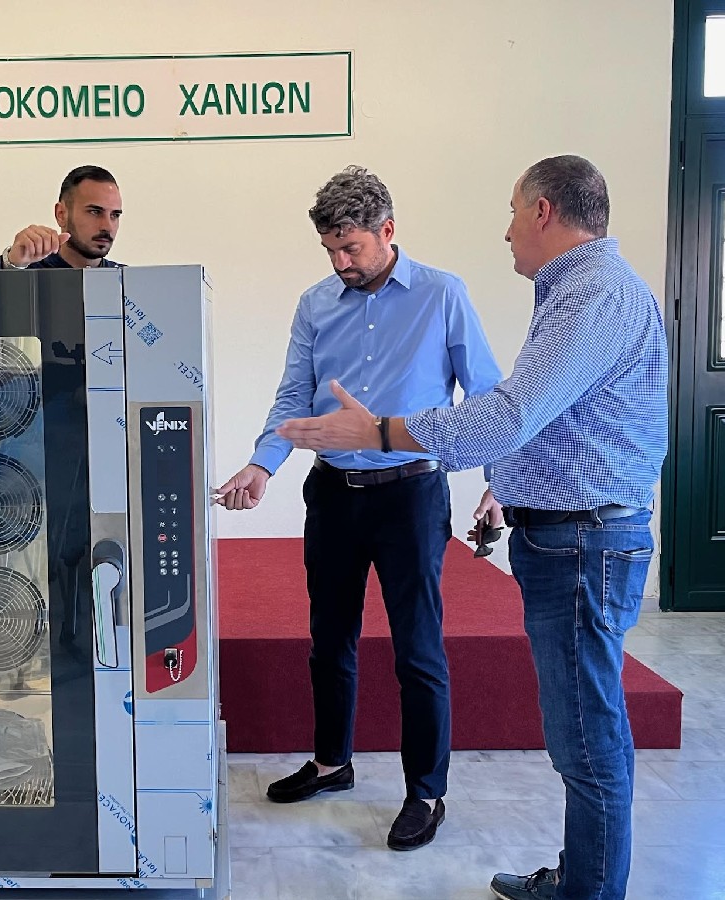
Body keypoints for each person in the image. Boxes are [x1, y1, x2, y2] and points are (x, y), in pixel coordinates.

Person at [275, 155, 668, 900]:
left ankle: (577, 885)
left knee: (586, 740)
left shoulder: (590, 295)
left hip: (573, 536)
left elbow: (508, 413)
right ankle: (581, 879)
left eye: (514, 211)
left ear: (544, 211)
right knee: (580, 736)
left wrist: (382, 432)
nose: (507, 230)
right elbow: (536, 416)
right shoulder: (582, 292)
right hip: (559, 533)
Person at [215, 165, 502, 851]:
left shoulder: (442, 295)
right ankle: (331, 762)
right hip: (333, 493)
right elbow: (294, 395)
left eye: (351, 248)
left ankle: (426, 792)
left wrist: (499, 485)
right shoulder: (316, 304)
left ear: (388, 230)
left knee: (417, 649)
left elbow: (488, 397)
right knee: (329, 638)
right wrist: (262, 464)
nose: (340, 263)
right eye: (330, 250)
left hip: (411, 494)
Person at [0, 165, 123, 270]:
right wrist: (11, 264)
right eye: (95, 212)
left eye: (115, 215)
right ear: (61, 214)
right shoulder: (26, 271)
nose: (107, 226)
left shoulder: (128, 283)